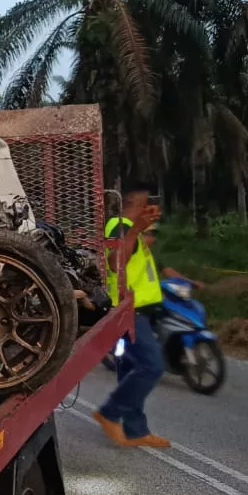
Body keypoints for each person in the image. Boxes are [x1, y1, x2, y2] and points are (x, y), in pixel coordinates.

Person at [93, 184, 171, 448]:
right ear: (138, 205)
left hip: (138, 310)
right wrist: (137, 229)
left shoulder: (132, 229)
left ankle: (136, 429)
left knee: (130, 369)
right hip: (128, 311)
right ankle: (109, 413)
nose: (154, 210)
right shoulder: (119, 226)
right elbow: (115, 263)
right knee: (152, 366)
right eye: (149, 204)